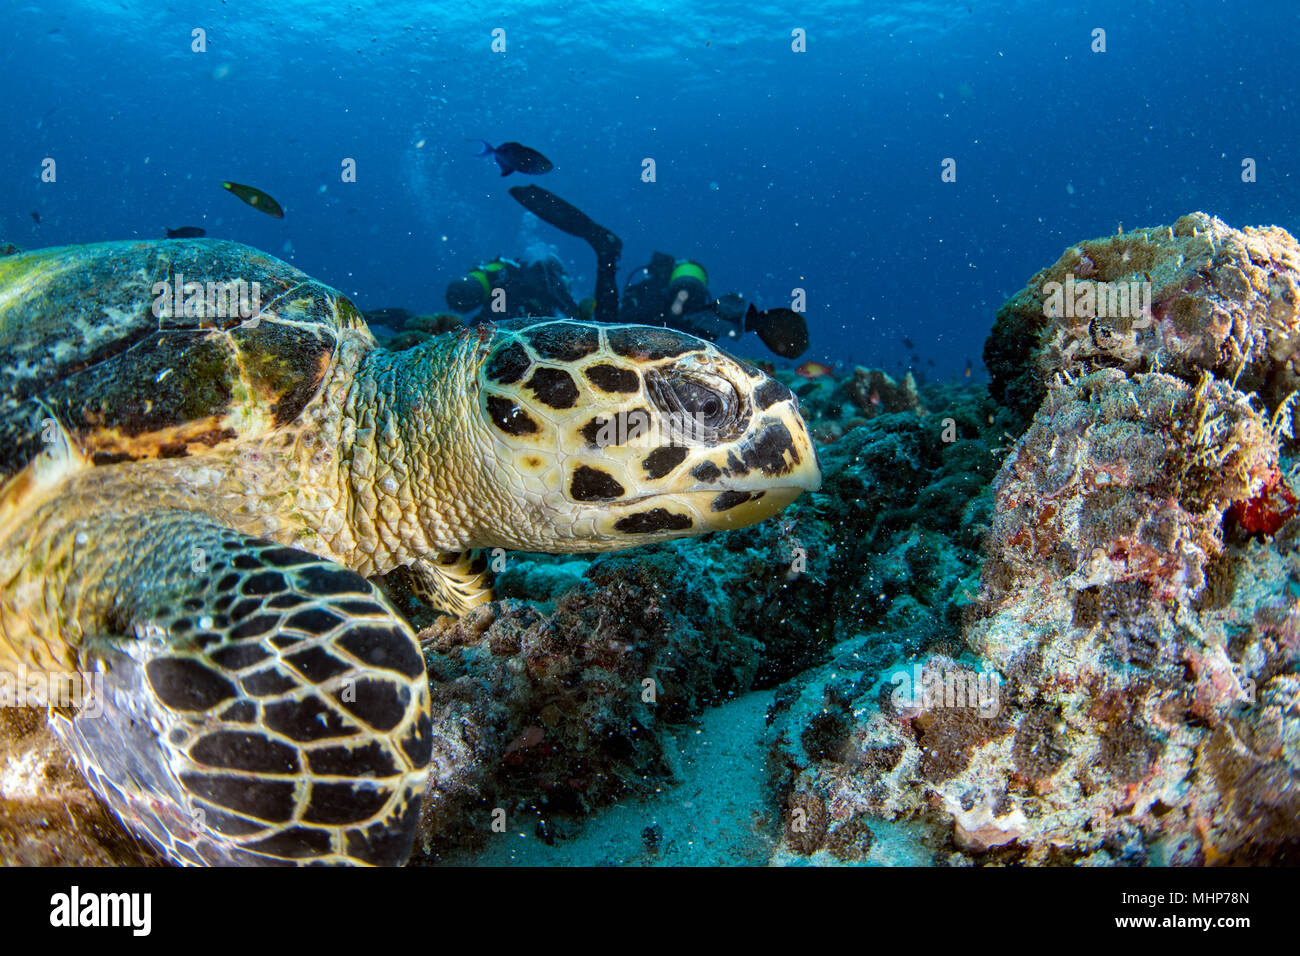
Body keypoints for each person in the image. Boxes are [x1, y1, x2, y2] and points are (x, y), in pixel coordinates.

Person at [505, 185, 808, 358]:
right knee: (607, 327)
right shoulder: (695, 309)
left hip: (657, 327)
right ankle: (606, 251)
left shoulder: (661, 298)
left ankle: (606, 251)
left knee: (606, 326)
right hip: (667, 329)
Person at [444, 253, 579, 323]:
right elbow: (575, 314)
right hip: (501, 292)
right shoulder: (549, 281)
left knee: (488, 324)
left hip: (498, 292)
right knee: (495, 324)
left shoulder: (523, 275)